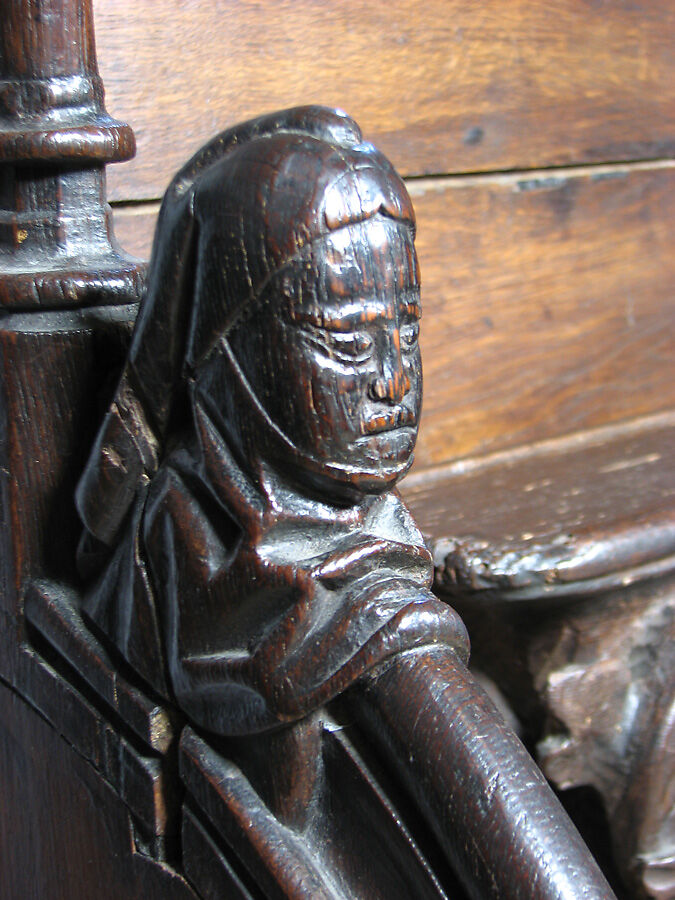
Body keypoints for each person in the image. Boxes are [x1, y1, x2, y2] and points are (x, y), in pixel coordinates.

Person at [76, 106, 614, 898]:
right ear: (231, 356)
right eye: (348, 339)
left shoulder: (373, 579)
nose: (393, 381)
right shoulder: (189, 555)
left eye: (405, 328)